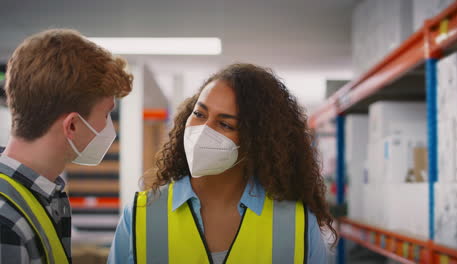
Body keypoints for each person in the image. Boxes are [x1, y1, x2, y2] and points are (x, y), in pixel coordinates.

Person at [108, 63, 334, 264]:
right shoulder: (141, 215)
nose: (203, 130)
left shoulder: (296, 223)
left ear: (255, 141)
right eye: (199, 113)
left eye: (225, 124)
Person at [0, 29, 133, 263]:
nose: (109, 127)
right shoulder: (6, 222)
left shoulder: (46, 196)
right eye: (106, 114)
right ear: (71, 126)